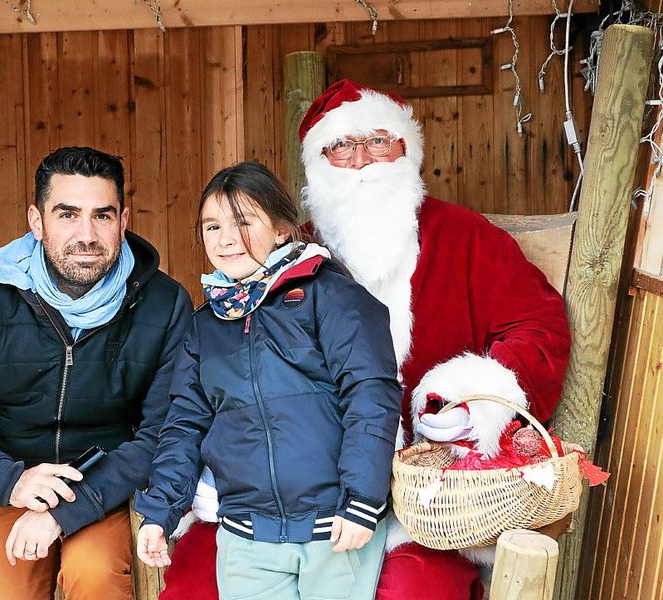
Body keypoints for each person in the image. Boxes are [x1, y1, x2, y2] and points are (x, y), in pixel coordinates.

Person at [160, 80, 571, 600]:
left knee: (416, 590)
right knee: (195, 582)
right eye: (341, 146)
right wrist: (216, 469)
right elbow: (219, 387)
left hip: (431, 491)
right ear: (318, 163)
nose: (361, 160)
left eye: (378, 142)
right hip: (292, 494)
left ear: (406, 149)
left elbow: (538, 326)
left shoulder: (467, 237)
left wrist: (473, 400)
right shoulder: (275, 261)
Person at [0, 146, 193, 600]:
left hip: (105, 484)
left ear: (123, 221)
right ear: (37, 222)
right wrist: (11, 481)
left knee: (95, 575)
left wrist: (65, 511)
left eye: (102, 216)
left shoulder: (163, 303)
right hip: (9, 478)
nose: (87, 235)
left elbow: (165, 430)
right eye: (67, 215)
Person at [134, 161, 403, 600]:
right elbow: (184, 424)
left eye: (243, 222)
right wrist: (159, 511)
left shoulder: (332, 297)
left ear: (281, 230)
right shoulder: (205, 326)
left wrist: (361, 501)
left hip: (335, 527)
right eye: (212, 226)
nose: (225, 239)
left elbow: (370, 394)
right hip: (246, 537)